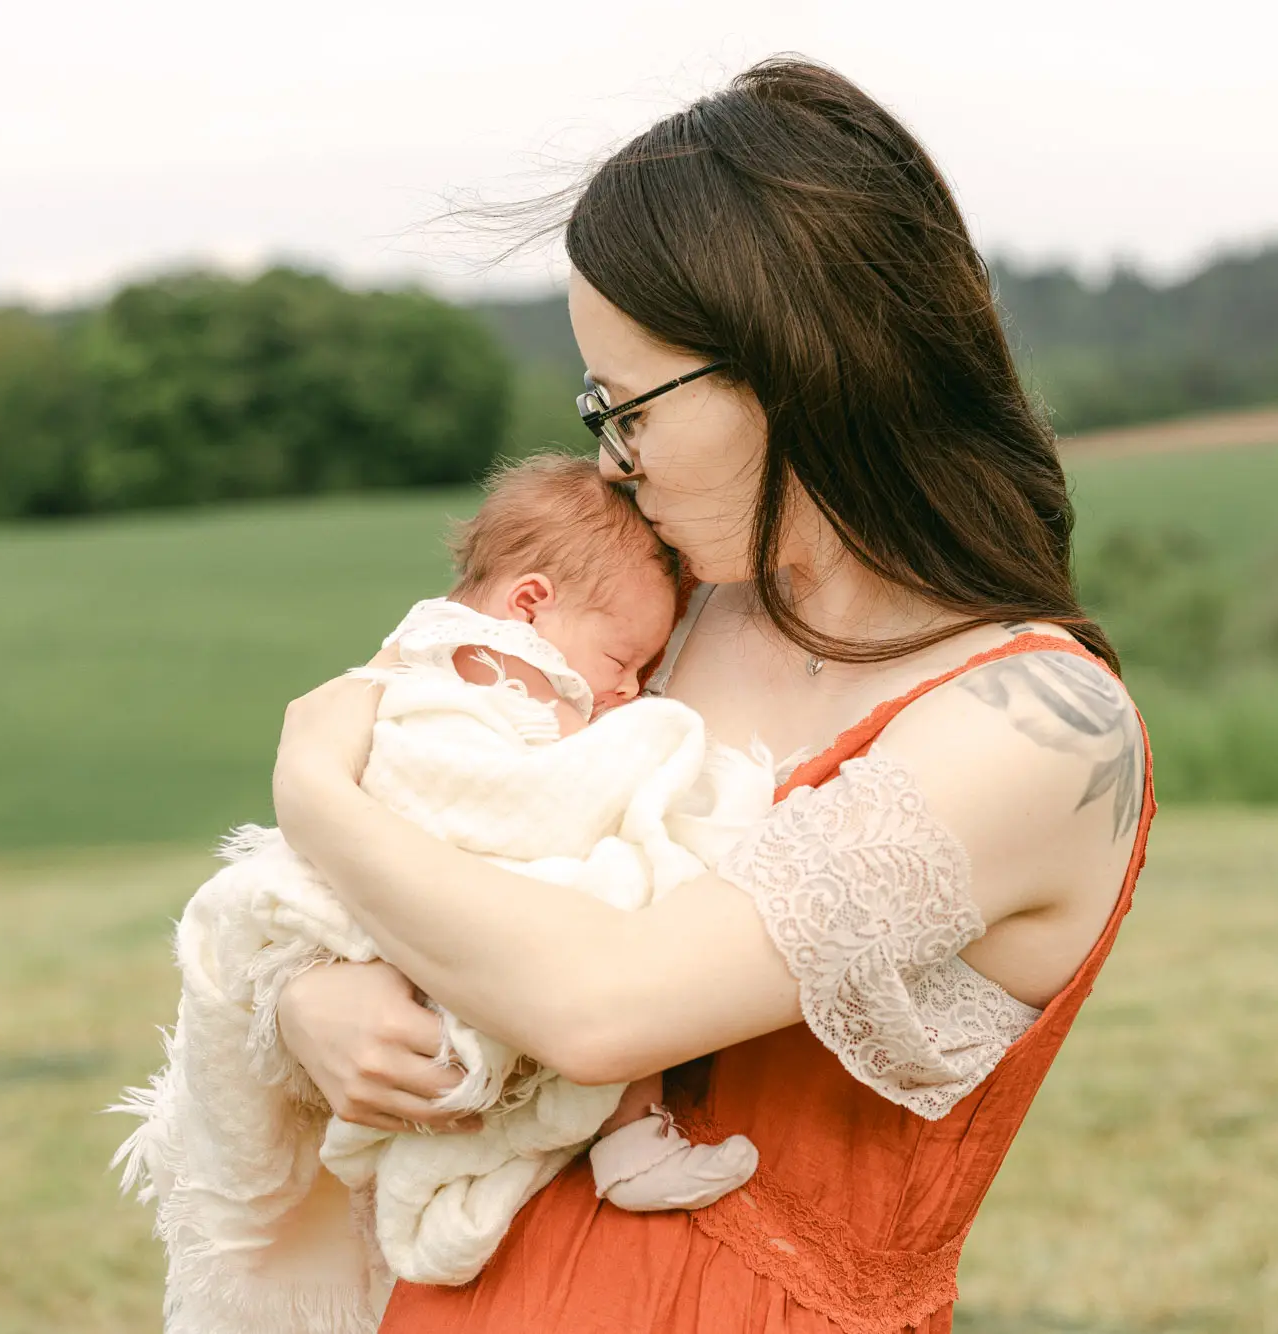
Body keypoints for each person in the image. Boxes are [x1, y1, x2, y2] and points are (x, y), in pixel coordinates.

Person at [267, 55, 1156, 1333]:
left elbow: (598, 1006)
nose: (609, 461)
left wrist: (316, 799)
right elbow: (444, 825)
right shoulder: (656, 622)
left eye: (628, 408)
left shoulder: (1039, 725)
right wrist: (310, 991)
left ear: (798, 366)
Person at [115, 455, 767, 1330]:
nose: (626, 689)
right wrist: (634, 743)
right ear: (528, 605)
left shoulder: (502, 646)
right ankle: (623, 1136)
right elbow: (472, 786)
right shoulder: (475, 666)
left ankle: (618, 1136)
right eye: (622, 660)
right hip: (424, 905)